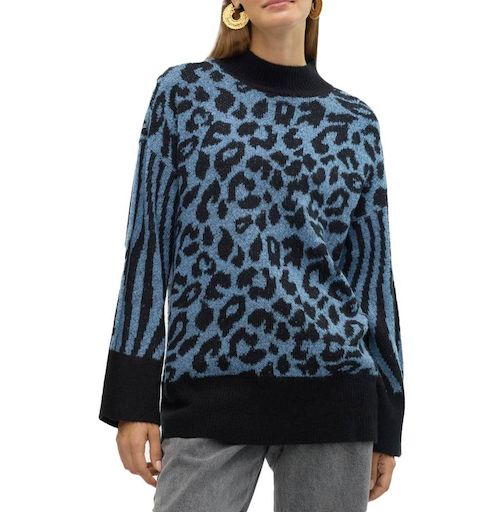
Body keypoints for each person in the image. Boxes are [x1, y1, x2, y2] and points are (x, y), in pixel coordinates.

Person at [98, 1, 405, 510]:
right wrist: (133, 396)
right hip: (208, 385)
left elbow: (372, 275)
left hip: (334, 391)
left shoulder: (355, 122)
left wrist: (388, 417)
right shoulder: (184, 94)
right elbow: (148, 244)